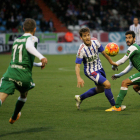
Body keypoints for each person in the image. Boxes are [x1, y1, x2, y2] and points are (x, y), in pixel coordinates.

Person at [0, 18, 48, 123]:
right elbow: (29, 46)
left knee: (1, 98)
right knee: (23, 94)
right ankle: (14, 116)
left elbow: (20, 60)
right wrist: (41, 57)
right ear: (34, 29)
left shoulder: (16, 40)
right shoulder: (33, 38)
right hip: (23, 76)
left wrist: (37, 64)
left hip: (11, 72)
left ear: (23, 28)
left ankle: (14, 116)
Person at [75, 27, 118, 110]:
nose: (87, 37)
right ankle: (114, 106)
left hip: (100, 68)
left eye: (88, 35)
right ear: (81, 38)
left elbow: (104, 53)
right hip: (90, 71)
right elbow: (77, 65)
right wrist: (79, 77)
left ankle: (80, 98)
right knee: (107, 84)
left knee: (101, 89)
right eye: (84, 36)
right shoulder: (81, 50)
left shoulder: (95, 41)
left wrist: (111, 62)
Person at [106, 31, 140, 111]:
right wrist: (118, 75)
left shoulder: (133, 47)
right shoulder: (134, 48)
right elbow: (130, 66)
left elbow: (122, 60)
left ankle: (117, 107)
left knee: (125, 83)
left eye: (130, 38)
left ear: (134, 39)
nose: (127, 40)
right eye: (126, 38)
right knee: (136, 87)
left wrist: (113, 64)